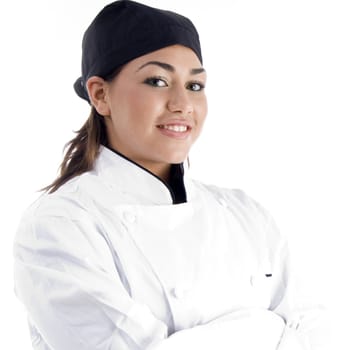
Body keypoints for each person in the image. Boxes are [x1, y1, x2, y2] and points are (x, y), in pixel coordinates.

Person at [13, 1, 325, 349]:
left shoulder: (245, 214)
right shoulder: (60, 225)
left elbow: (316, 331)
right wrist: (265, 327)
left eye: (195, 86)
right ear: (100, 95)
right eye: (157, 81)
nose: (182, 103)